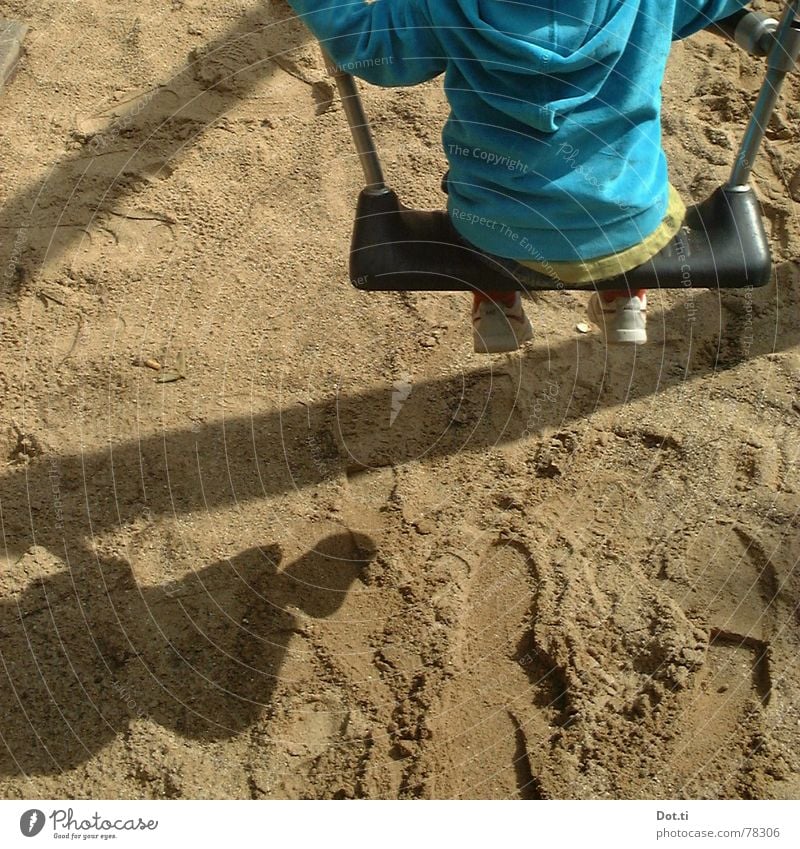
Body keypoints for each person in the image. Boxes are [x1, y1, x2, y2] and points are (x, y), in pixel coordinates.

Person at [286, 0, 749, 352]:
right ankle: (624, 297)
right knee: (626, 203)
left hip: (493, 230)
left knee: (492, 199)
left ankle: (497, 305)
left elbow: (368, 49)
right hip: (627, 225)